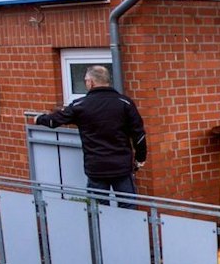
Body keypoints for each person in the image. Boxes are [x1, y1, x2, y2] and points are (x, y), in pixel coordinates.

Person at [35, 65, 147, 195]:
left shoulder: (80, 105)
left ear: (91, 82)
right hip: (121, 167)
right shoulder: (125, 103)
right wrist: (140, 158)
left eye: (86, 81)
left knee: (98, 209)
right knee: (128, 207)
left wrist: (39, 119)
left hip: (96, 168)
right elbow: (139, 135)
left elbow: (53, 121)